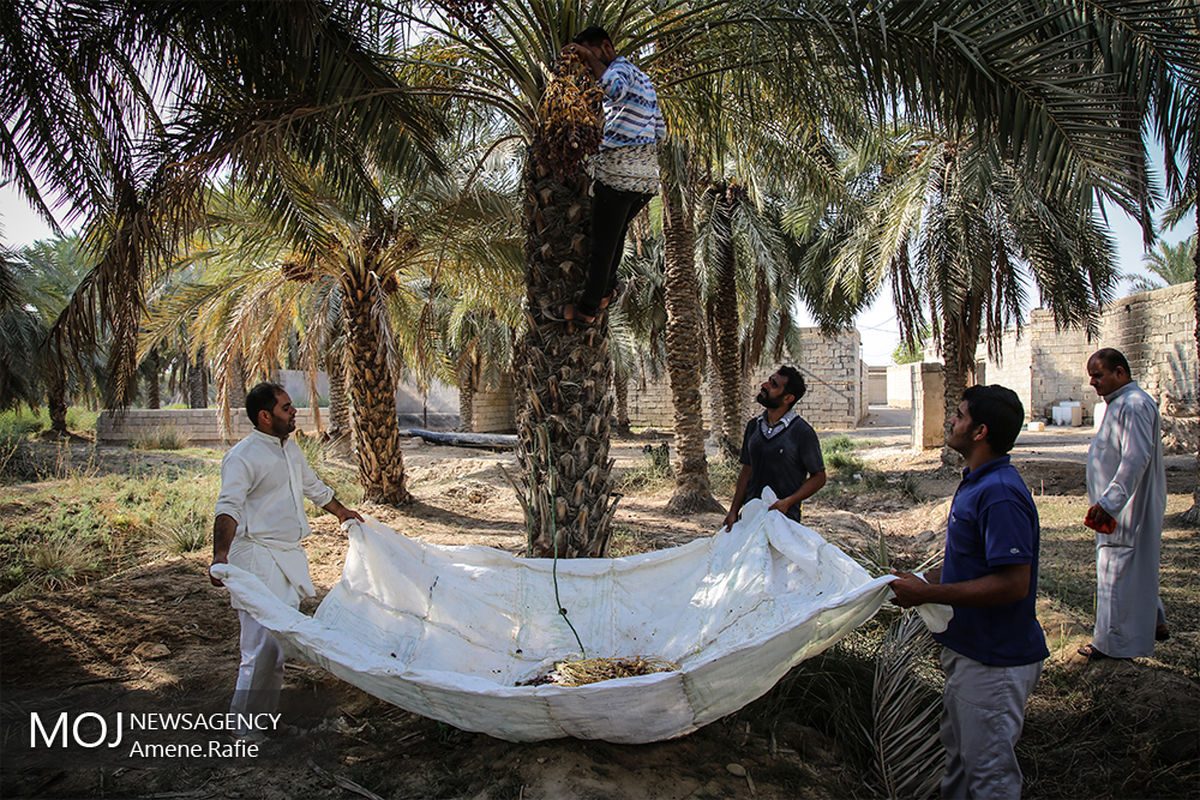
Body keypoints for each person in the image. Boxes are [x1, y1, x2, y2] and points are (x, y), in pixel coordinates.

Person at [891, 384, 1048, 800]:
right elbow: (971, 566)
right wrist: (923, 581)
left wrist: (929, 596)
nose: (951, 421)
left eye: (959, 415)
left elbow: (1013, 583)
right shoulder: (977, 484)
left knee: (989, 776)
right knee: (960, 763)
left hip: (995, 664)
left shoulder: (999, 494)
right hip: (971, 653)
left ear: (979, 432)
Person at [210, 382, 363, 740]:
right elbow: (228, 507)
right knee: (259, 648)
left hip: (287, 558)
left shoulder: (289, 449)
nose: (294, 412)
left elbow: (312, 486)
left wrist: (342, 512)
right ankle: (243, 731)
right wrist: (220, 554)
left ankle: (261, 722)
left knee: (275, 649)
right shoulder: (243, 457)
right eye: (285, 408)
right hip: (257, 561)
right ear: (265, 416)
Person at [547, 25, 666, 326]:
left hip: (618, 177)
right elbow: (661, 131)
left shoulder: (620, 70)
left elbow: (613, 88)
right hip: (645, 181)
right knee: (614, 239)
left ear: (607, 48)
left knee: (602, 246)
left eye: (590, 56)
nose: (587, 66)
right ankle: (605, 292)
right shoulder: (646, 82)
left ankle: (586, 310)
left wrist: (588, 58)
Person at [1079, 348, 1168, 660]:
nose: (1093, 382)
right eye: (1091, 376)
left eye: (1098, 375)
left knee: (1117, 569)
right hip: (1117, 507)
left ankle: (1111, 645)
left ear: (1120, 372)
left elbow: (1134, 458)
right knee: (1130, 568)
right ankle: (1154, 620)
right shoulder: (1120, 404)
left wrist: (1111, 501)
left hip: (1126, 508)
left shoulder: (1134, 405)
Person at [723, 367, 826, 529]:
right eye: (769, 380)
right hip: (751, 517)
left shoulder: (801, 432)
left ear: (788, 398)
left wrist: (788, 502)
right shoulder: (753, 427)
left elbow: (819, 477)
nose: (765, 385)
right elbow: (746, 470)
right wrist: (734, 510)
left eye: (774, 384)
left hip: (784, 521)